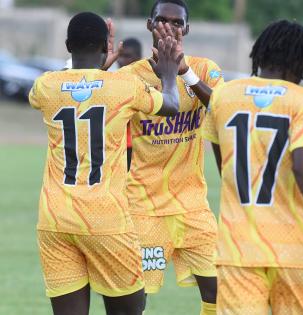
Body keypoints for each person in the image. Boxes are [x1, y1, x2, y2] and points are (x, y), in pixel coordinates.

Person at [29, 12, 182, 315]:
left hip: (55, 219)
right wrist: (168, 73)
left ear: (67, 45)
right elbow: (172, 105)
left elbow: (66, 85)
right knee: (131, 307)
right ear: (104, 46)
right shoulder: (123, 87)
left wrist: (92, 69)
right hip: (106, 219)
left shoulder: (45, 86)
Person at [202, 20, 303, 315]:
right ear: (299, 62)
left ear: (260, 54)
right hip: (296, 250)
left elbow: (225, 167)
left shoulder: (223, 96)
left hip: (238, 248)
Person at [117, 1, 224, 314]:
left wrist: (185, 73)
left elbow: (224, 110)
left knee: (220, 292)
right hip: (145, 207)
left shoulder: (204, 69)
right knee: (134, 300)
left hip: (193, 205)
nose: (169, 28)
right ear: (150, 25)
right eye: (161, 21)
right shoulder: (130, 76)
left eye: (177, 23)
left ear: (187, 29)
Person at [117, 37, 143, 170]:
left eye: (127, 56)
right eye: (120, 56)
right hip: (117, 147)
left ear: (138, 58)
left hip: (138, 147)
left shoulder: (145, 84)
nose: (121, 60)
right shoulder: (114, 82)